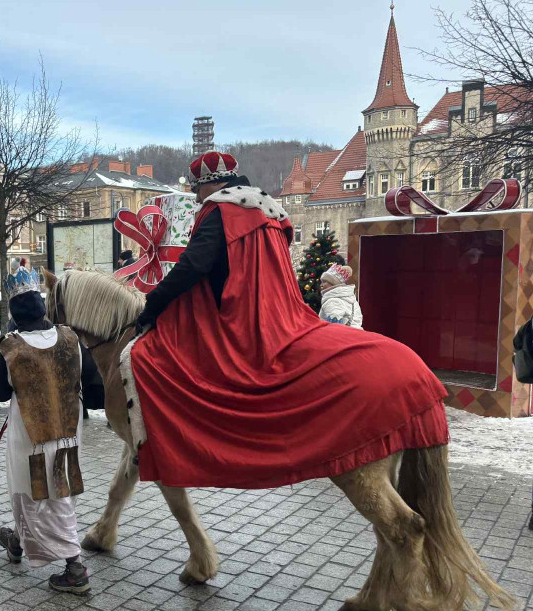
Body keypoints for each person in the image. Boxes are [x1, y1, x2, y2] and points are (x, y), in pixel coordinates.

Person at [130, 151, 447, 490]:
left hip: (243, 322)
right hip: (286, 312)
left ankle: (181, 448)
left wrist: (153, 305)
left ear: (213, 184)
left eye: (197, 190)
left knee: (149, 360)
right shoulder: (271, 213)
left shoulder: (220, 210)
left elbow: (193, 266)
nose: (196, 198)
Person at [0, 261, 90, 594]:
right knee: (58, 493)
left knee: (32, 494)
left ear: (15, 311)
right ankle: (17, 543)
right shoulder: (70, 337)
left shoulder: (11, 347)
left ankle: (75, 567)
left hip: (29, 437)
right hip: (67, 434)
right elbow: (87, 381)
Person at [318, 263, 363, 328]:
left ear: (333, 283)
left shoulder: (332, 301)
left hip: (342, 336)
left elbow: (334, 328)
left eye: (324, 282)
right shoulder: (352, 299)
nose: (321, 285)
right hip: (357, 334)